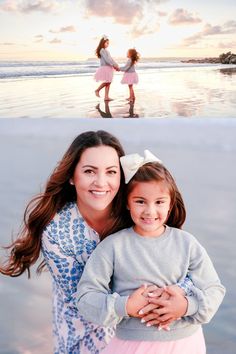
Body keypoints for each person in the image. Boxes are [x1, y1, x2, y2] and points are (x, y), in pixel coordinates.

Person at [0, 133, 193, 354]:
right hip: (84, 329)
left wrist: (177, 299)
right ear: (72, 176)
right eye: (89, 171)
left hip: (146, 327)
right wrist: (137, 304)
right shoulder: (57, 231)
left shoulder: (137, 210)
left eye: (111, 172)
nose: (101, 182)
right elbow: (79, 302)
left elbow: (181, 263)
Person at [77, 149, 226, 354]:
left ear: (170, 204)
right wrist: (126, 306)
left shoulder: (186, 243)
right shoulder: (112, 247)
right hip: (132, 346)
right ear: (128, 203)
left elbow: (214, 289)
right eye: (140, 201)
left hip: (185, 343)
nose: (149, 211)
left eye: (159, 202)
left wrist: (185, 306)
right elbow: (85, 297)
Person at [94, 35, 119, 101]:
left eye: (108, 43)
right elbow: (107, 60)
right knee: (108, 81)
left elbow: (110, 59)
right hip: (105, 67)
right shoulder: (102, 50)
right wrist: (113, 65)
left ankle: (106, 97)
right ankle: (97, 90)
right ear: (103, 42)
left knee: (109, 82)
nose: (108, 44)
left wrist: (115, 64)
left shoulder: (106, 50)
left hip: (108, 67)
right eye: (106, 43)